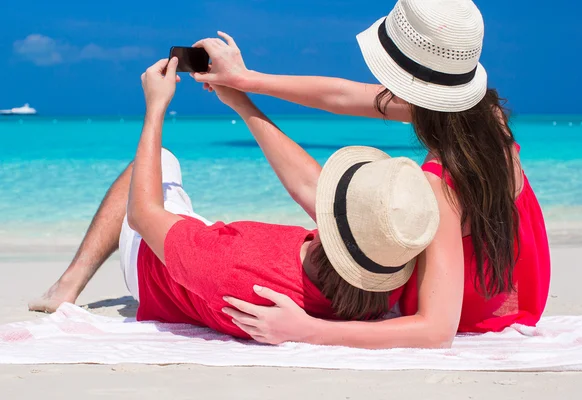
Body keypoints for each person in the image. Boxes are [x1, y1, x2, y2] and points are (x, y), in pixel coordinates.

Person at [191, 0, 551, 348]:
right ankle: (242, 107)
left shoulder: (440, 185)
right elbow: (341, 97)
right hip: (508, 298)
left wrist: (306, 330)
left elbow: (436, 331)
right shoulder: (485, 117)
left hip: (469, 312)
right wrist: (246, 81)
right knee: (343, 200)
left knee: (341, 205)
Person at [29, 56, 440, 343]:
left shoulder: (233, 267)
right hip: (210, 243)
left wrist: (156, 107)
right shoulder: (376, 281)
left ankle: (69, 284)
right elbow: (305, 185)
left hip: (153, 267)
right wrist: (240, 100)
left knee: (155, 163)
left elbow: (142, 214)